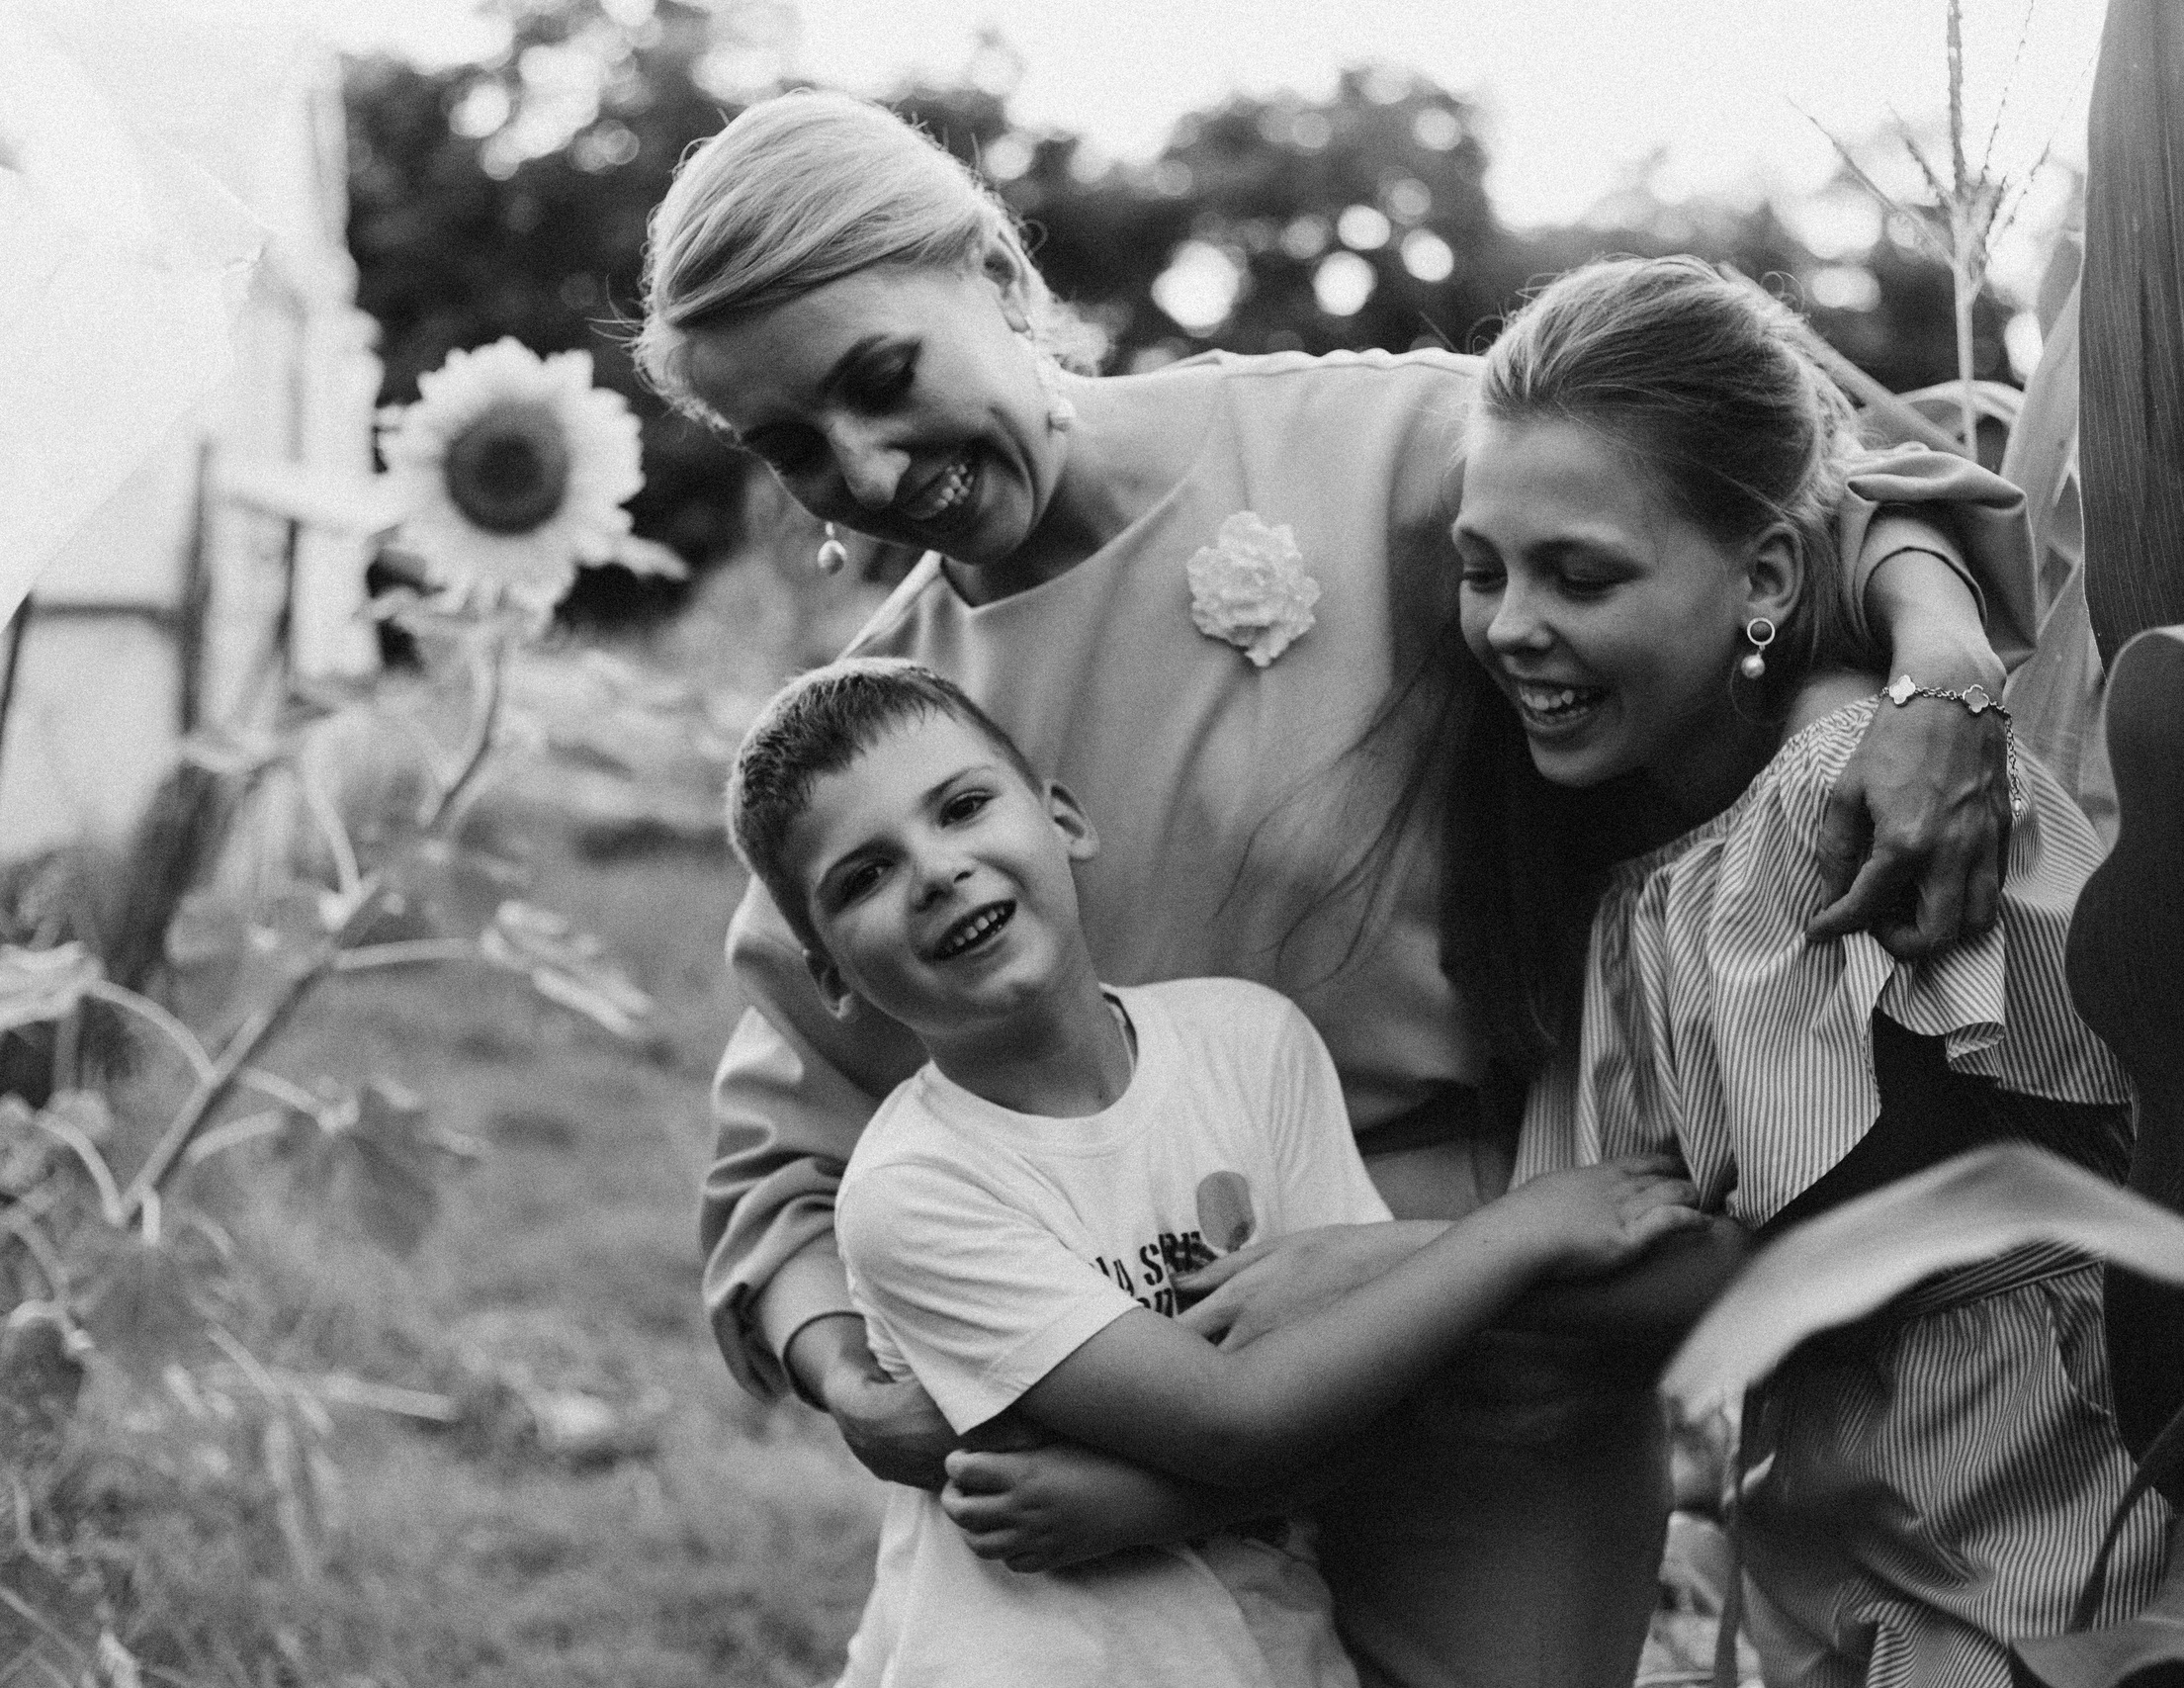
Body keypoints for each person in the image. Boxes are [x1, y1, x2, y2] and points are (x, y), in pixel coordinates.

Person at [639, 88, 2033, 1687]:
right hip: (1143, 1403)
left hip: (1496, 1350)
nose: (867, 467)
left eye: (880, 380)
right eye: (792, 448)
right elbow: (779, 1156)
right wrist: (847, 1363)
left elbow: (1789, 498)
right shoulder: (885, 732)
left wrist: (1939, 679)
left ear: (987, 269)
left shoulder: (1359, 444)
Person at [1439, 255, 2165, 1684]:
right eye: (1482, 569)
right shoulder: (1654, 869)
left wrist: (1391, 1273)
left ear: (1766, 575)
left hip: (2028, 1520)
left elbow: (1825, 1244)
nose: (1512, 623)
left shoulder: (1852, 790)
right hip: (1851, 1528)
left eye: (1578, 573)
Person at [727, 656, 1706, 1688]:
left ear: (1061, 818)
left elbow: (1386, 1396)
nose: (935, 871)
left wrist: (1157, 1508)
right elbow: (1232, 1419)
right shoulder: (913, 1189)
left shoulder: (1252, 1045)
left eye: (963, 807)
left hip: (1269, 1652)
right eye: (864, 876)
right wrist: (1520, 1230)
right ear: (828, 974)